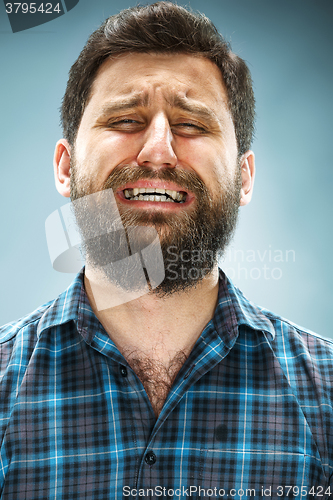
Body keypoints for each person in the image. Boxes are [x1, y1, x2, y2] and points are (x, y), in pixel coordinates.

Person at [1, 2, 332, 498]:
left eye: (192, 124)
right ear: (65, 167)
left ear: (244, 176)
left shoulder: (325, 397)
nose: (158, 149)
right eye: (126, 119)